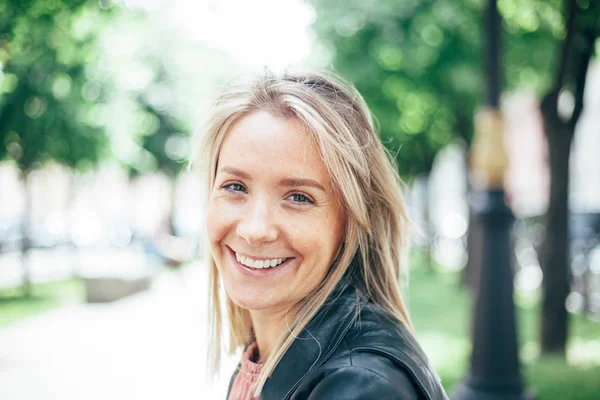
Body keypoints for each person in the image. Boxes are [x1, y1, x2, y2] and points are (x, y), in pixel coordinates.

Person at [199, 70, 449, 399]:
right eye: (235, 187)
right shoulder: (265, 360)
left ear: (349, 222)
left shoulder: (360, 386)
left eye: (298, 197)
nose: (255, 229)